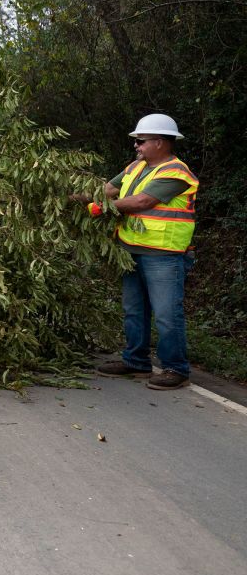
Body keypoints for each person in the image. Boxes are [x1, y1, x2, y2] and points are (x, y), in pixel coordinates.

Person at [71, 114, 198, 390]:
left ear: (160, 142)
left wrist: (100, 208)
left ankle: (176, 368)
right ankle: (136, 360)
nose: (136, 146)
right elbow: (104, 190)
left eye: (140, 141)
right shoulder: (135, 168)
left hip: (164, 255)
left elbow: (142, 201)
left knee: (166, 313)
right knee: (133, 310)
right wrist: (69, 197)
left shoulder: (175, 172)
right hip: (131, 250)